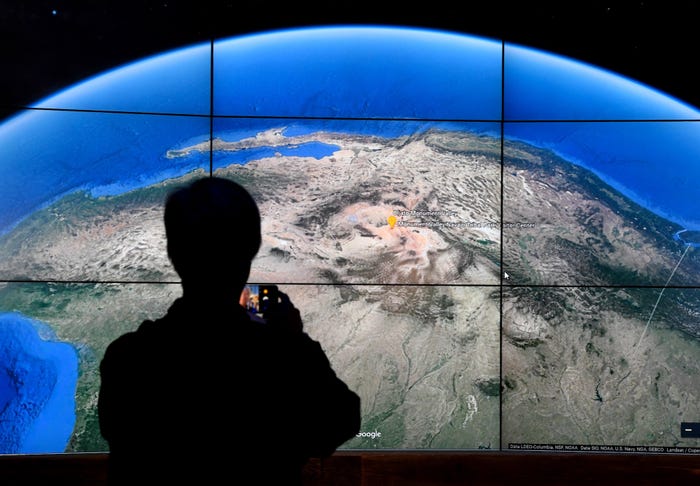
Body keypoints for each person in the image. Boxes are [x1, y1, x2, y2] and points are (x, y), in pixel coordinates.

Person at [97, 176, 361, 485]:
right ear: (251, 249)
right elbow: (341, 422)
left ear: (173, 254)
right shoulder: (276, 360)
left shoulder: (128, 358)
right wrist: (293, 340)